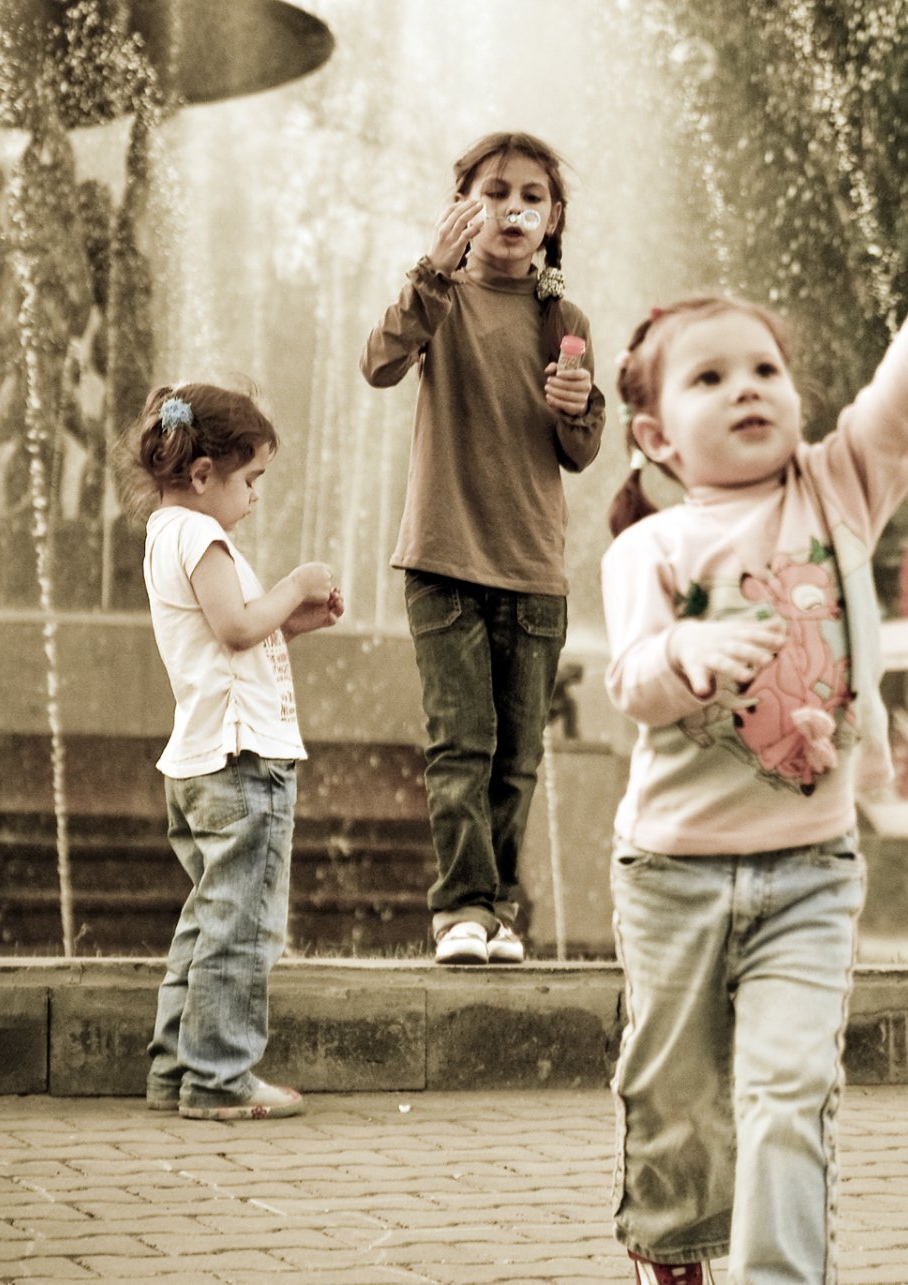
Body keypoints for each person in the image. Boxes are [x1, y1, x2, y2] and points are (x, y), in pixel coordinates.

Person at [601, 152, 908, 1284]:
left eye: (766, 369)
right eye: (709, 379)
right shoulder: (649, 549)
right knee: (677, 1106)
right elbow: (633, 681)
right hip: (673, 871)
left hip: (809, 868)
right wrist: (690, 651)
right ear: (652, 438)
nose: (749, 388)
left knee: (789, 1092)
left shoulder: (837, 488)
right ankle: (672, 1251)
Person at [360, 131, 607, 966]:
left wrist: (578, 406)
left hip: (534, 567)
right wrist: (429, 269)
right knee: (460, 743)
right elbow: (380, 363)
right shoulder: (444, 299)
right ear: (463, 205)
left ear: (554, 217)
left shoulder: (562, 319)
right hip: (443, 559)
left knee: (518, 756)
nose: (513, 208)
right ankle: (459, 909)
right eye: (494, 191)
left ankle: (498, 912)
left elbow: (578, 451)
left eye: (531, 196)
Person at [121, 382, 343, 1121]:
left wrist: (293, 619)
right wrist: (295, 584)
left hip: (202, 756)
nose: (254, 498)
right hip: (243, 759)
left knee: (207, 917)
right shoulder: (201, 535)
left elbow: (239, 632)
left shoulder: (166, 534)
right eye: (250, 480)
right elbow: (239, 629)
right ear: (204, 473)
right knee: (243, 924)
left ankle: (176, 1067)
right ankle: (219, 1076)